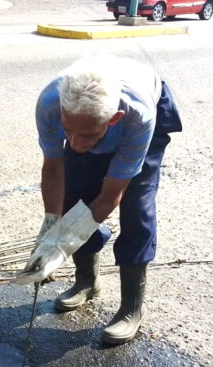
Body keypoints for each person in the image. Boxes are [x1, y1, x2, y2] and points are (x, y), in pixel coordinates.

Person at [16, 55, 182, 345]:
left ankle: (132, 308)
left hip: (144, 108)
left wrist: (62, 246)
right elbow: (54, 169)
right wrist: (50, 232)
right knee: (74, 196)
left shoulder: (136, 117)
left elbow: (111, 196)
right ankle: (87, 281)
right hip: (87, 113)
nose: (76, 144)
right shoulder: (50, 105)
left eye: (88, 134)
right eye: (69, 131)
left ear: (113, 119)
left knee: (136, 210)